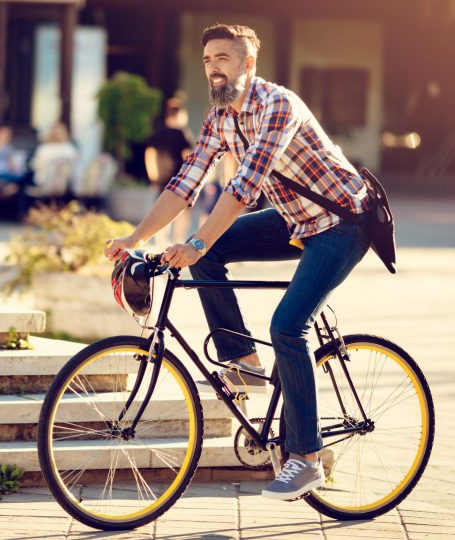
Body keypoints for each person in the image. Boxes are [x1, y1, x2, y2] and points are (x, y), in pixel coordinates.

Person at [105, 24, 372, 501]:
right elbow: (184, 183)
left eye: (224, 58)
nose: (214, 67)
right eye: (208, 59)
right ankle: (243, 362)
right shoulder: (219, 118)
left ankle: (306, 459)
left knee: (288, 326)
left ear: (248, 64)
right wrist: (134, 236)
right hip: (295, 220)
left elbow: (242, 189)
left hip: (342, 221)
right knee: (210, 251)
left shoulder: (278, 106)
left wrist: (197, 244)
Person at [144, 97, 195, 244]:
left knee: (161, 208)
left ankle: (161, 241)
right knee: (183, 209)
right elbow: (188, 156)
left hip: (162, 177)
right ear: (180, 114)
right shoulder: (182, 133)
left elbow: (150, 154)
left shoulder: (158, 132)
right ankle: (178, 239)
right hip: (180, 177)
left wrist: (153, 175)